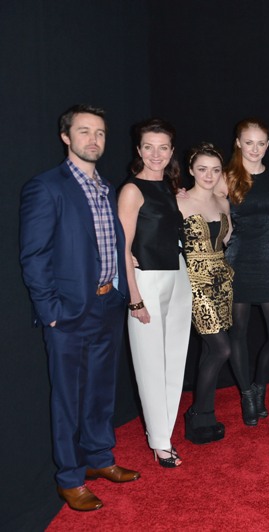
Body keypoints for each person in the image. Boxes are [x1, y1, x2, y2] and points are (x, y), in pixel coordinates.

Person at [19, 104, 139, 512]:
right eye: (84, 131)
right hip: (68, 313)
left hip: (107, 304)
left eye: (100, 133)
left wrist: (119, 293)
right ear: (65, 137)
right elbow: (34, 256)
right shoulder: (46, 187)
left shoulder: (107, 187)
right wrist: (50, 310)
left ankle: (99, 458)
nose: (94, 139)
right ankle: (69, 478)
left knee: (101, 392)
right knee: (68, 399)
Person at [118, 118, 192, 468]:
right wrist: (134, 298)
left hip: (178, 276)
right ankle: (160, 442)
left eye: (163, 148)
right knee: (149, 363)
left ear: (171, 151)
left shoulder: (169, 187)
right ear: (139, 150)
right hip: (146, 280)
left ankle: (165, 431)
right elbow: (123, 247)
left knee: (174, 359)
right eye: (149, 147)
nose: (156, 154)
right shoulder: (132, 190)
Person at [221, 119, 269, 426]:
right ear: (238, 142)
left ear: (268, 145)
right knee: (238, 333)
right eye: (249, 142)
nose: (255, 149)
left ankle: (260, 385)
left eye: (261, 143)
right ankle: (247, 395)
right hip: (238, 259)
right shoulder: (226, 177)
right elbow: (210, 211)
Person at [177, 142, 234, 444]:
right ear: (191, 170)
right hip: (194, 282)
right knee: (221, 348)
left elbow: (226, 237)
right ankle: (198, 413)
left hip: (221, 281)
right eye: (202, 169)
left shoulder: (223, 202)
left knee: (212, 350)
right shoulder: (179, 202)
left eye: (215, 170)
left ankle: (205, 414)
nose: (209, 175)